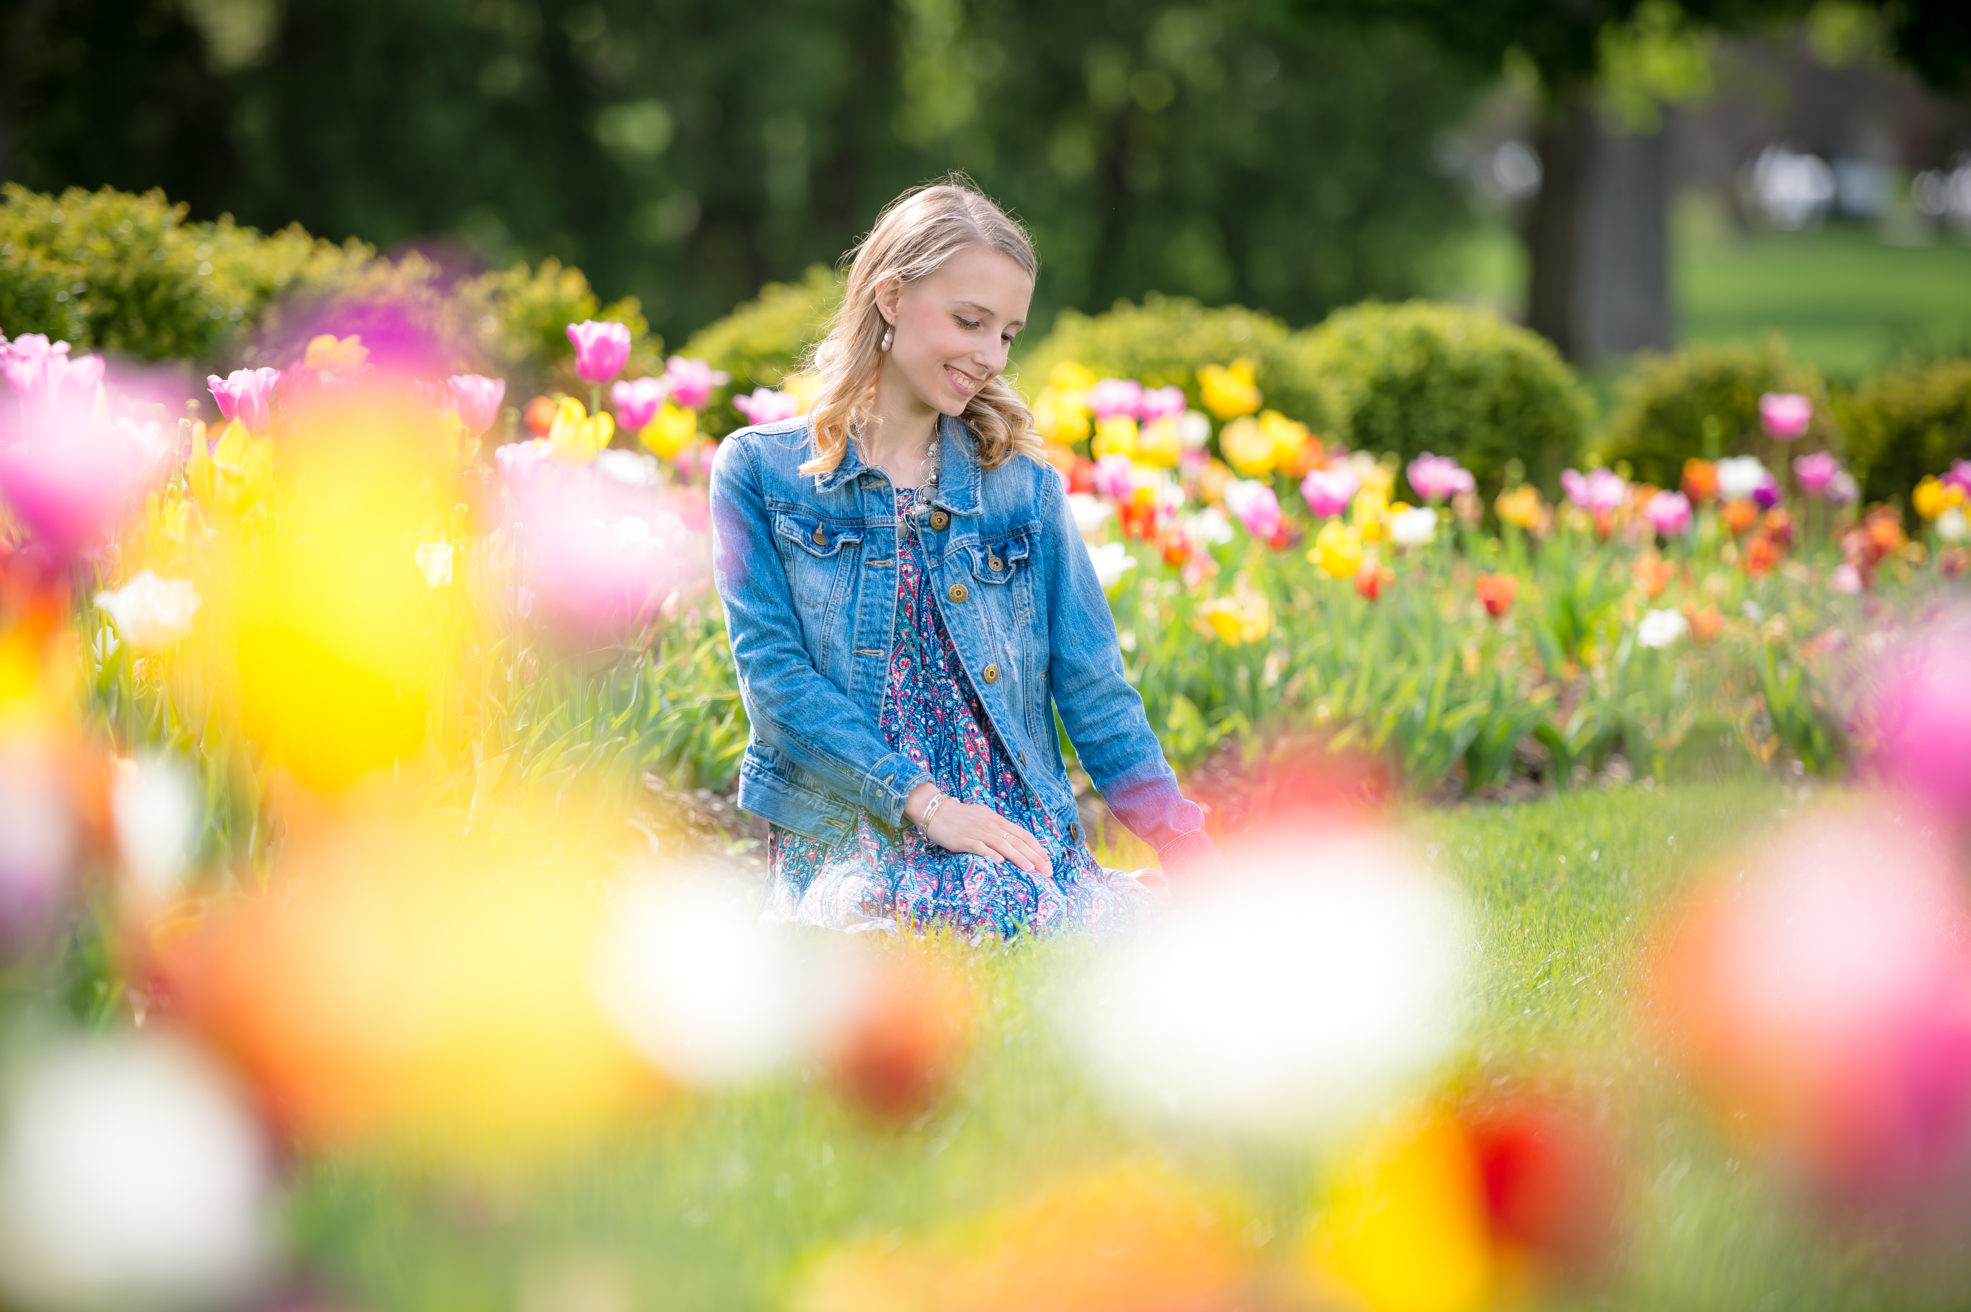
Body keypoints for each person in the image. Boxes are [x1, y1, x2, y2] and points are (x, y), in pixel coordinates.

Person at [707, 176, 1217, 941]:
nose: (988, 356)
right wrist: (928, 805)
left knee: (996, 900)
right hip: (853, 824)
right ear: (889, 298)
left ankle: (1126, 906)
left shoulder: (1025, 493)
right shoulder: (759, 474)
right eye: (970, 321)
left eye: (1007, 334)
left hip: (1008, 828)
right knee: (877, 919)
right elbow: (776, 683)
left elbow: (1094, 691)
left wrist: (1191, 849)